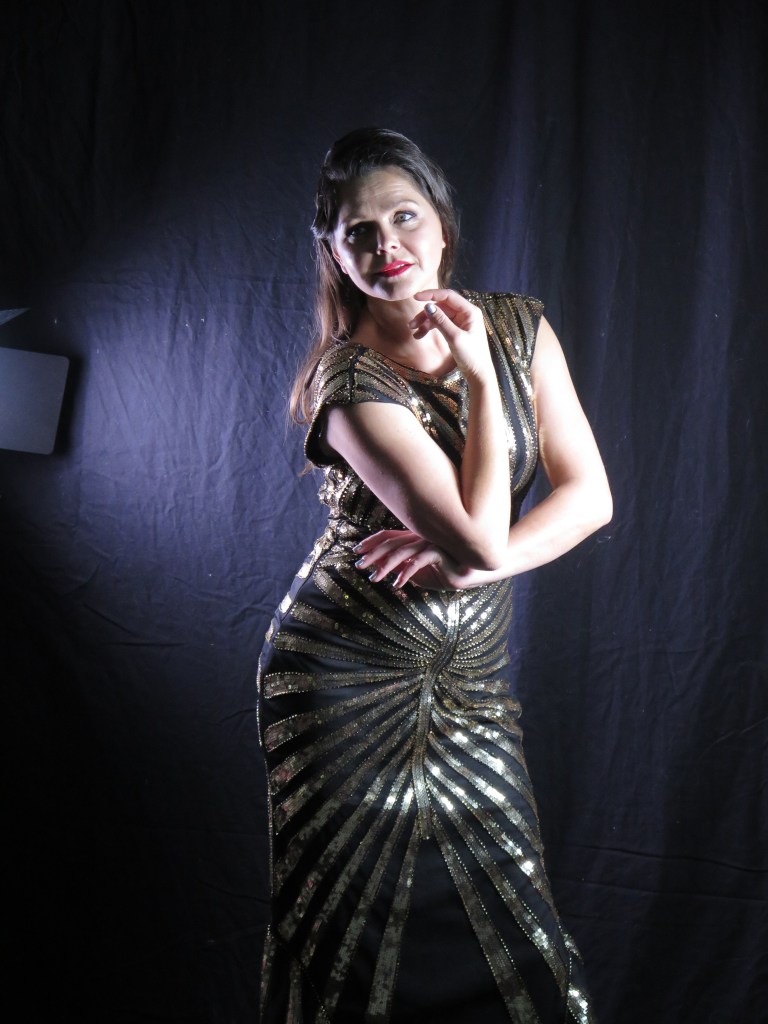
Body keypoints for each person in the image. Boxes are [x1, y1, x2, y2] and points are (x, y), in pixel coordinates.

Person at [257, 127, 612, 1024]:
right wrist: (488, 385)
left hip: (463, 681)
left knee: (513, 933)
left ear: (442, 226)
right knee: (354, 937)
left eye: (403, 217)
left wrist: (470, 563)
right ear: (332, 253)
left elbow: (587, 497)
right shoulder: (347, 384)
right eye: (358, 233)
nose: (388, 248)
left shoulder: (523, 324)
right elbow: (480, 542)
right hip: (346, 683)